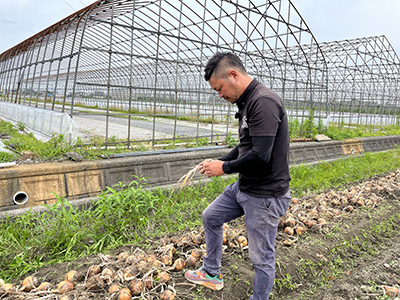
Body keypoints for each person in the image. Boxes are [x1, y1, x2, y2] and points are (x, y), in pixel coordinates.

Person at [184, 52, 292, 300]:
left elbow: (261, 155)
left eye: (220, 88)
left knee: (261, 258)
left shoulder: (263, 101)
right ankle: (211, 273)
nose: (220, 95)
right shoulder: (247, 102)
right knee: (211, 217)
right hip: (245, 186)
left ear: (233, 75)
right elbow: (246, 146)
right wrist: (222, 160)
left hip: (265, 194)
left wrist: (224, 169)